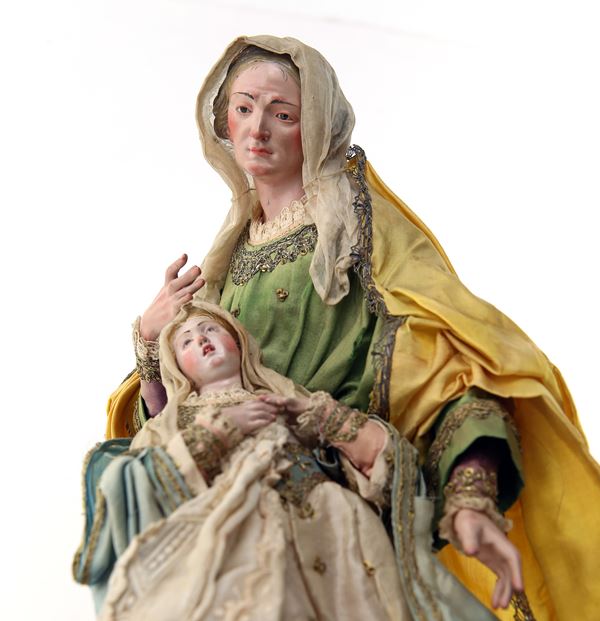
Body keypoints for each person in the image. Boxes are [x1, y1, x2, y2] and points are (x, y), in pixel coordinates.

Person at [105, 36, 599, 620]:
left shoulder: (359, 236)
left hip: (335, 500)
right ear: (223, 122)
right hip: (230, 505)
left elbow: (457, 364)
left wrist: (471, 497)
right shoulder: (222, 265)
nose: (257, 129)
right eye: (243, 108)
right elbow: (176, 419)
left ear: (315, 127)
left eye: (282, 114)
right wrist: (150, 342)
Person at [77, 301, 500, 620]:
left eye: (210, 329)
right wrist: (221, 432)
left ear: (239, 341)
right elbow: (144, 484)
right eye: (186, 341)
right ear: (177, 367)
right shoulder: (172, 423)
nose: (201, 340)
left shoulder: (294, 402)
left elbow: (385, 473)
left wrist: (325, 419)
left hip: (337, 532)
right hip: (235, 538)